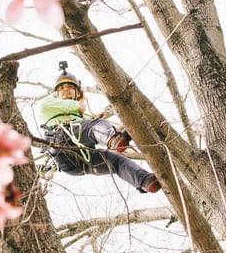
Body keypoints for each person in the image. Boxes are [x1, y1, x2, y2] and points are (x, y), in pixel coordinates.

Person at [39, 63, 161, 193]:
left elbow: (96, 129)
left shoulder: (83, 119)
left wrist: (120, 132)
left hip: (80, 163)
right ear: (56, 94)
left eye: (70, 87)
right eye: (62, 88)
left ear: (76, 92)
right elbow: (85, 116)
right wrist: (77, 105)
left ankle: (144, 181)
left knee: (116, 160)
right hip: (61, 143)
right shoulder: (48, 104)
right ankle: (113, 140)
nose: (66, 89)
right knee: (95, 125)